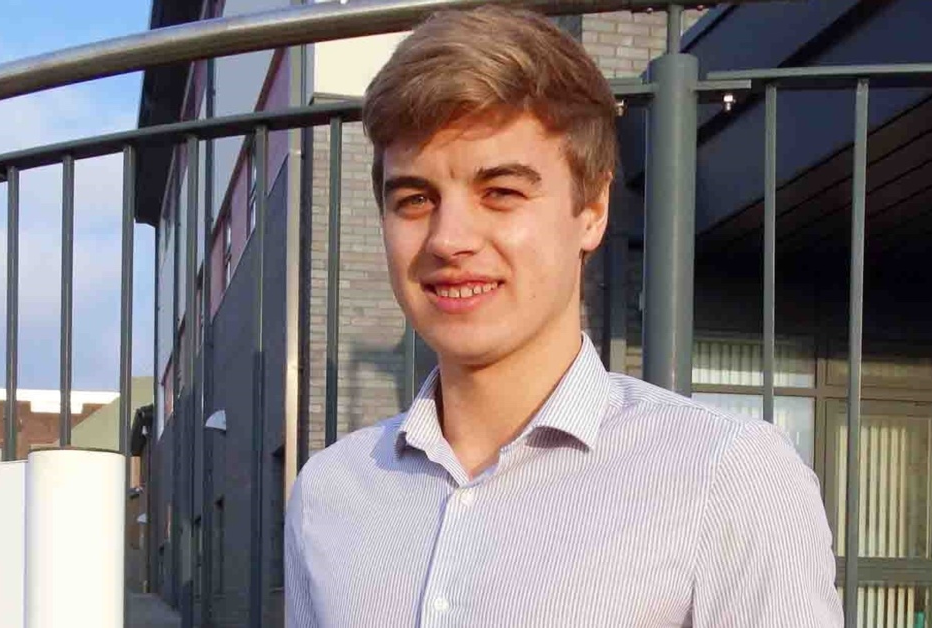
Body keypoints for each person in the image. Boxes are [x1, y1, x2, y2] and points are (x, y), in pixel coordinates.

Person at [283, 5, 840, 626]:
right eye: (415, 198)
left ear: (592, 209)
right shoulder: (330, 493)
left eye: (501, 192)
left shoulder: (728, 479)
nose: (449, 238)